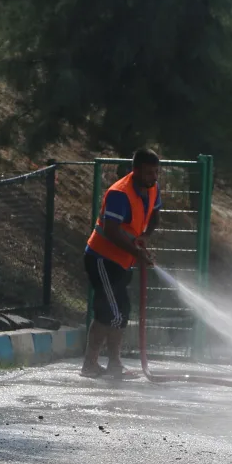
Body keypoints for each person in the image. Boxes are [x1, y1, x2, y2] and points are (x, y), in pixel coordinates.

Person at [81, 148, 162, 378]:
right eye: (148, 173)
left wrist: (145, 236)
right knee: (111, 312)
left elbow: (155, 215)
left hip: (122, 260)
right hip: (102, 259)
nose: (154, 177)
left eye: (156, 172)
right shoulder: (120, 193)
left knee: (121, 310)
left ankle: (114, 364)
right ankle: (90, 364)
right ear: (135, 170)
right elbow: (112, 230)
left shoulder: (152, 187)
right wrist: (137, 254)